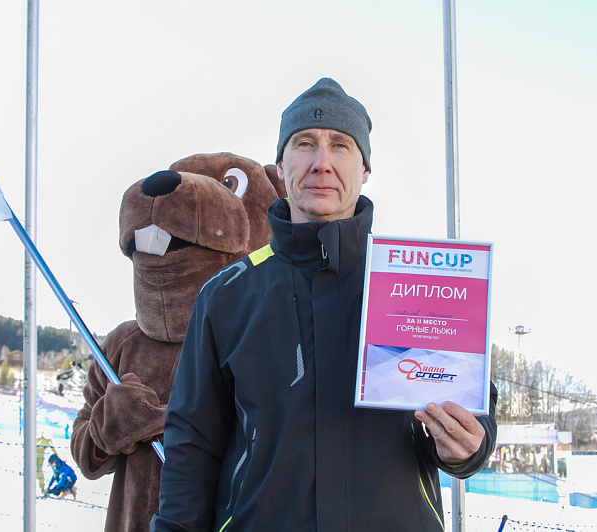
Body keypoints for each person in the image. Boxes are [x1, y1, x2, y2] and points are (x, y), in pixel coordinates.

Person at [151, 77, 498, 531]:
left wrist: (469, 447)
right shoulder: (228, 294)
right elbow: (192, 444)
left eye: (340, 145)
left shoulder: (420, 286)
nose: (321, 163)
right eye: (304, 143)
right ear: (281, 165)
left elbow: (472, 403)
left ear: (365, 168)